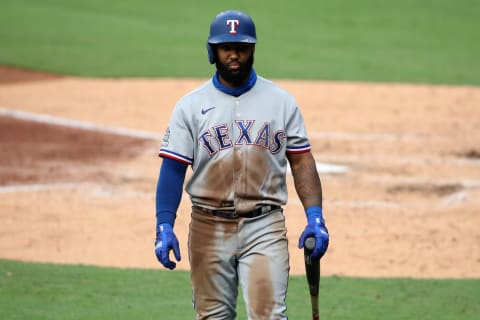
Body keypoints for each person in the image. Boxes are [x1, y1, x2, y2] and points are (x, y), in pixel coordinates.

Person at [154, 9, 329, 319]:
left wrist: (315, 217)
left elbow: (302, 161)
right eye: (226, 48)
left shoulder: (281, 101)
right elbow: (172, 170)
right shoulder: (190, 106)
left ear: (253, 50)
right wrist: (164, 225)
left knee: (269, 316)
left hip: (265, 225)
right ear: (213, 51)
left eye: (241, 48)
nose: (234, 55)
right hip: (208, 227)